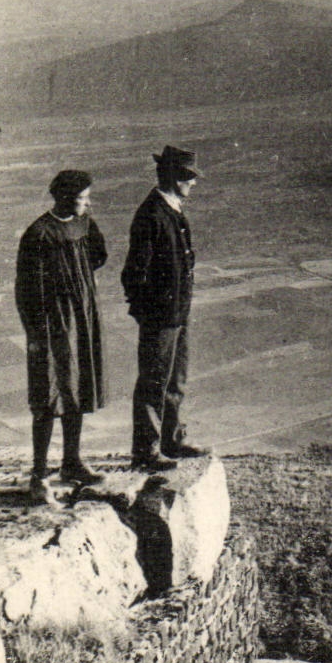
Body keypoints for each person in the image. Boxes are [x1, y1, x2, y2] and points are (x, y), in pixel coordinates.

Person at [16, 169, 108, 500]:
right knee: (49, 395)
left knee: (78, 389)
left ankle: (71, 462)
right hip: (53, 327)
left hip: (80, 320)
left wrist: (79, 287)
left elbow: (98, 255)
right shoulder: (39, 234)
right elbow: (26, 291)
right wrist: (37, 333)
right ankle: (39, 475)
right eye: (83, 198)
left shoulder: (84, 223)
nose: (88, 203)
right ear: (67, 199)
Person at [123, 145, 208, 471]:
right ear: (172, 177)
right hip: (162, 316)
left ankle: (172, 439)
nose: (193, 183)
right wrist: (149, 313)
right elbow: (133, 273)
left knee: (176, 379)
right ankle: (146, 450)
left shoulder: (171, 208)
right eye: (188, 177)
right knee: (154, 381)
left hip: (178, 312)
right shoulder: (153, 214)